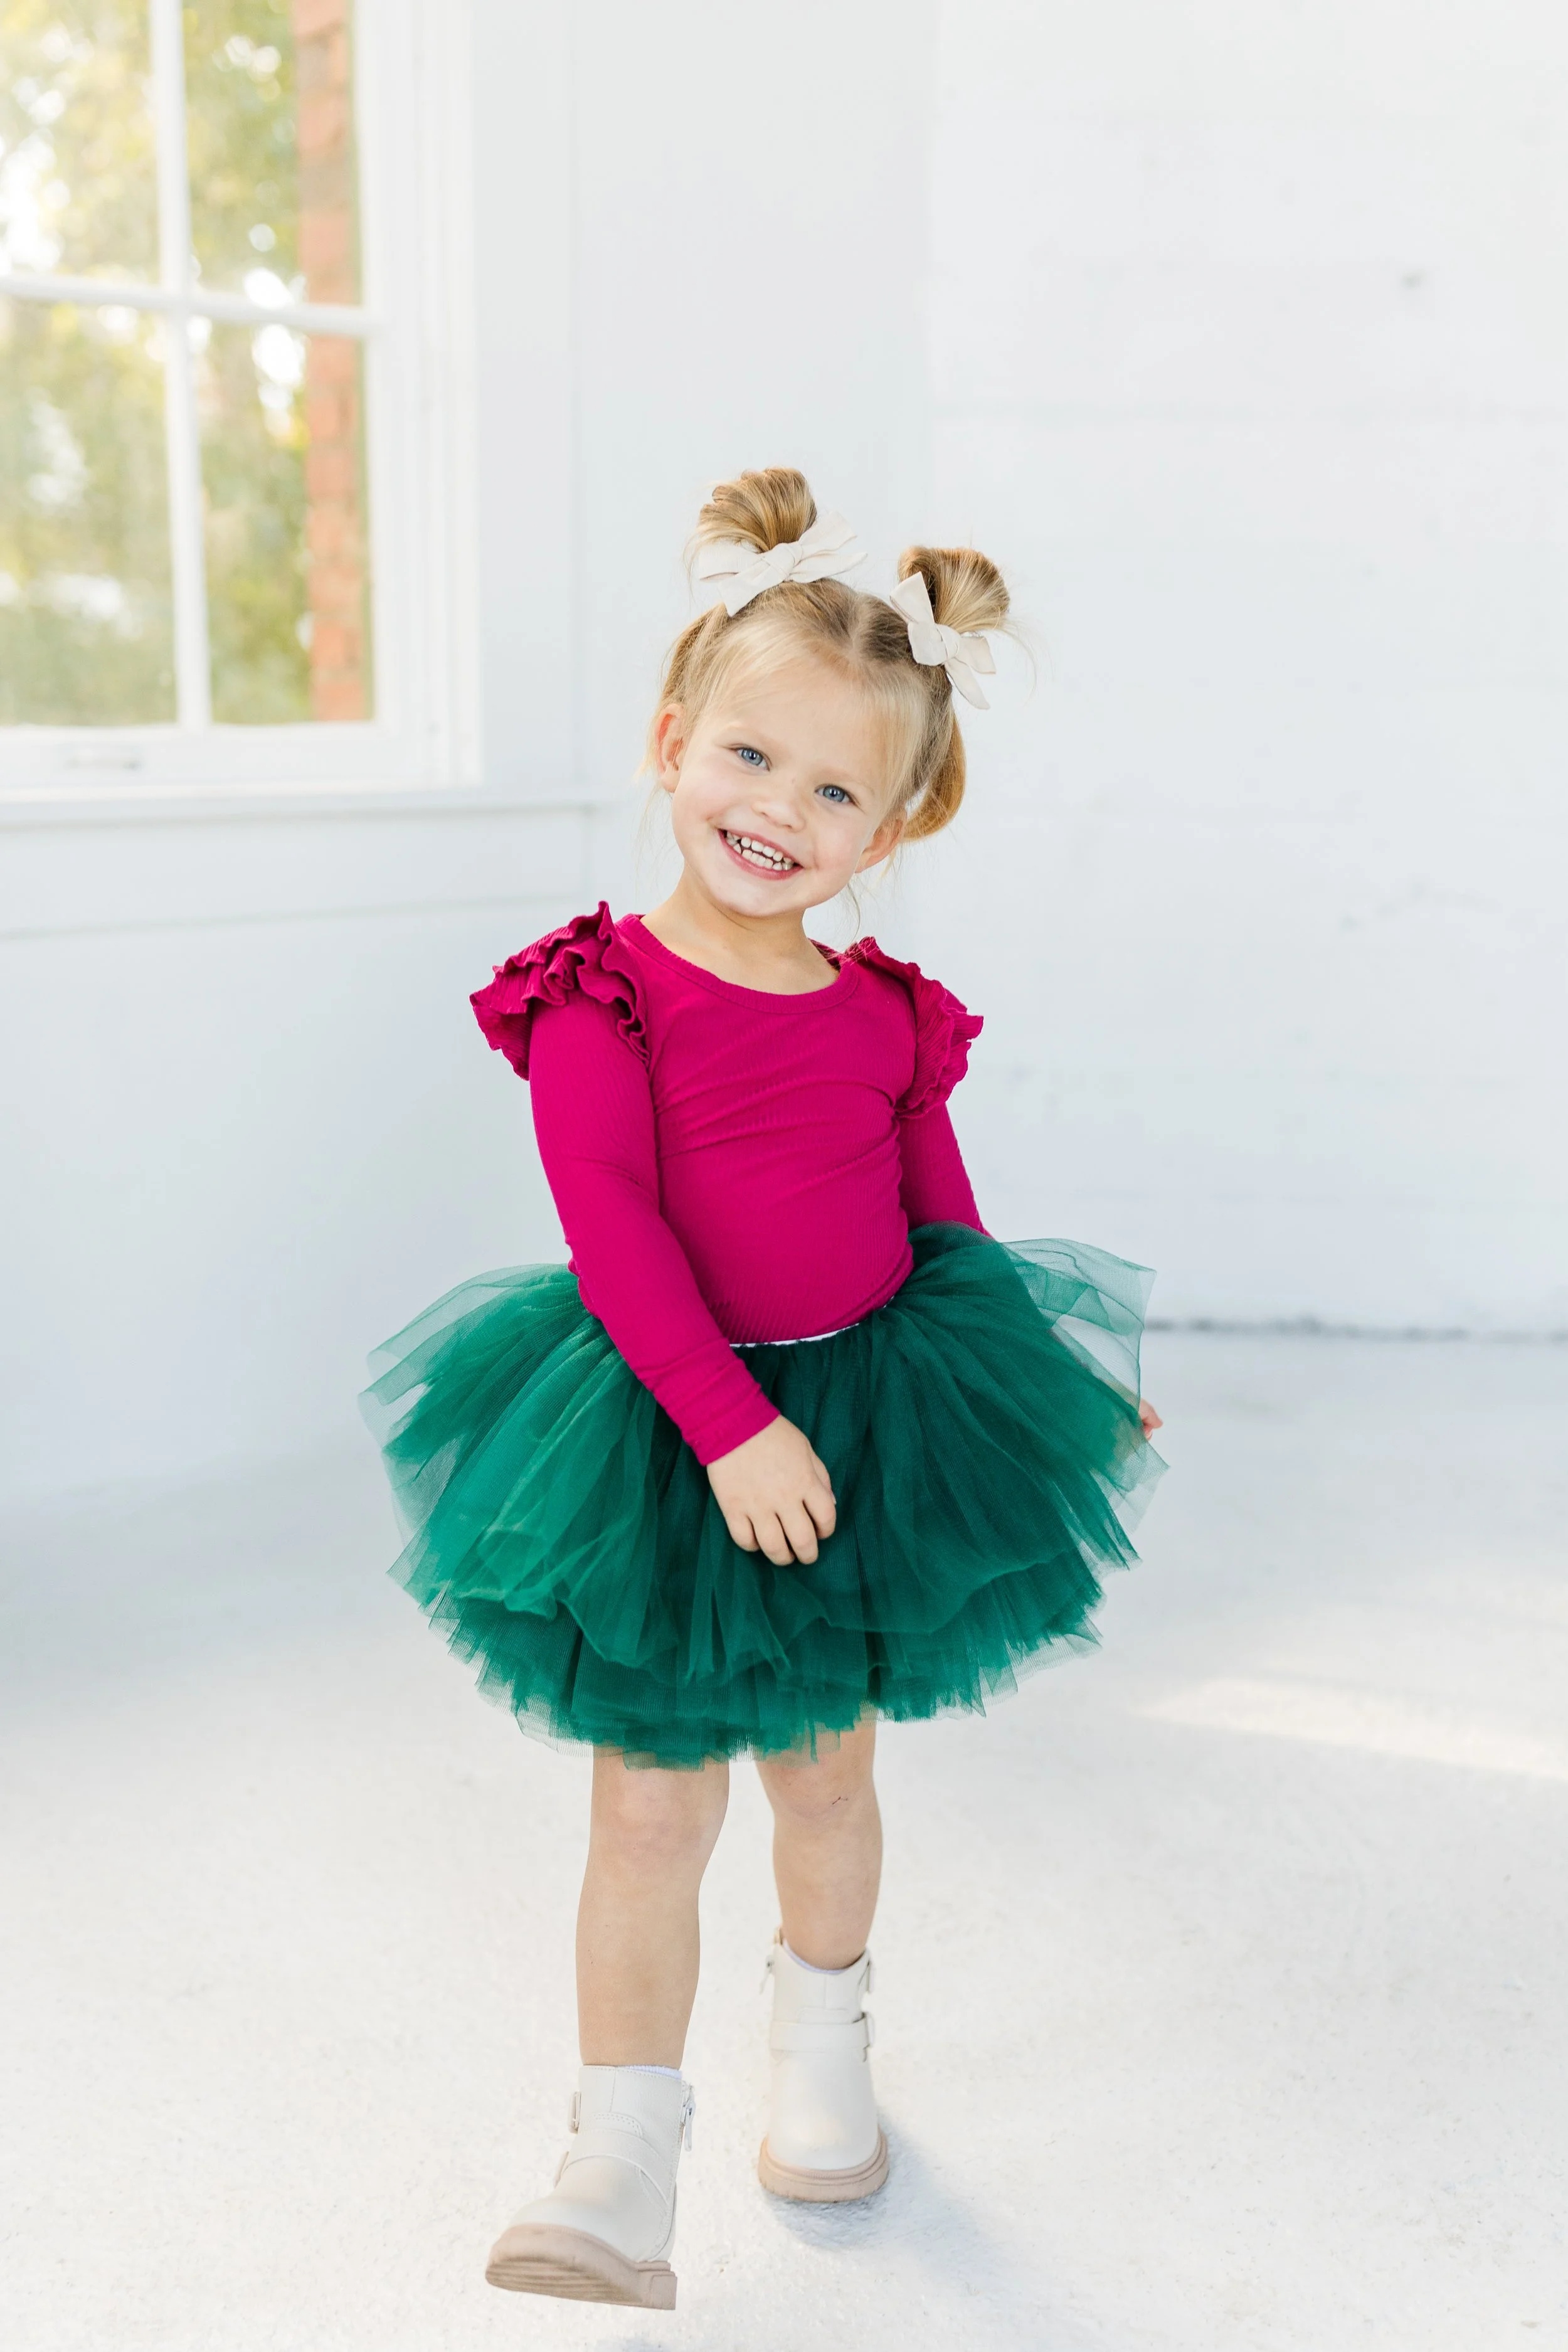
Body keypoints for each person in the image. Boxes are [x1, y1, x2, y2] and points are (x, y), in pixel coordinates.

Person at [363, 467, 1164, 2311]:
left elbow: (943, 1221)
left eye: (832, 789)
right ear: (669, 741)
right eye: (748, 758)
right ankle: (618, 2148)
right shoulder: (600, 1000)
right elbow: (614, 1220)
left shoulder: (885, 1010)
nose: (777, 812)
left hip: (875, 1415)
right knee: (648, 1803)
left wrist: (1045, 1383)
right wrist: (726, 1422)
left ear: (894, 816)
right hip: (665, 1436)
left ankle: (824, 2059)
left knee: (823, 1772)